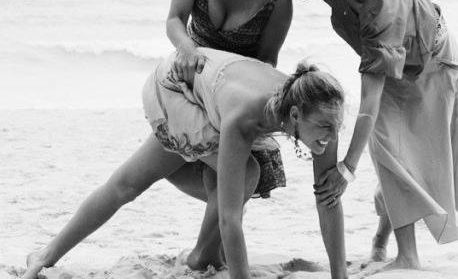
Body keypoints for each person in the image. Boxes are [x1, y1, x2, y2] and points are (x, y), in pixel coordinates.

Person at [22, 47, 348, 279]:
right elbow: (230, 220)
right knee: (241, 174)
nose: (332, 136)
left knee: (227, 177)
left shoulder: (315, 109)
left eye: (336, 127)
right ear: (295, 116)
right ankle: (47, 255)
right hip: (176, 86)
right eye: (325, 128)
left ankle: (202, 253)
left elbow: (327, 198)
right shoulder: (245, 117)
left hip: (210, 93)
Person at [289, 0, 458, 270]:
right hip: (396, 63)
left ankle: (407, 256)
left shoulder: (383, 9)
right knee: (393, 154)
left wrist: (347, 169)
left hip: (432, 64)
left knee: (389, 148)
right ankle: (381, 244)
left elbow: (368, 106)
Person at [166, 0, 293, 268]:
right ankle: (212, 250)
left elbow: (266, 63)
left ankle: (206, 254)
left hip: (234, 99)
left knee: (230, 179)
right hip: (189, 85)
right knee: (152, 173)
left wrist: (234, 93)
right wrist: (187, 48)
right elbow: (174, 19)